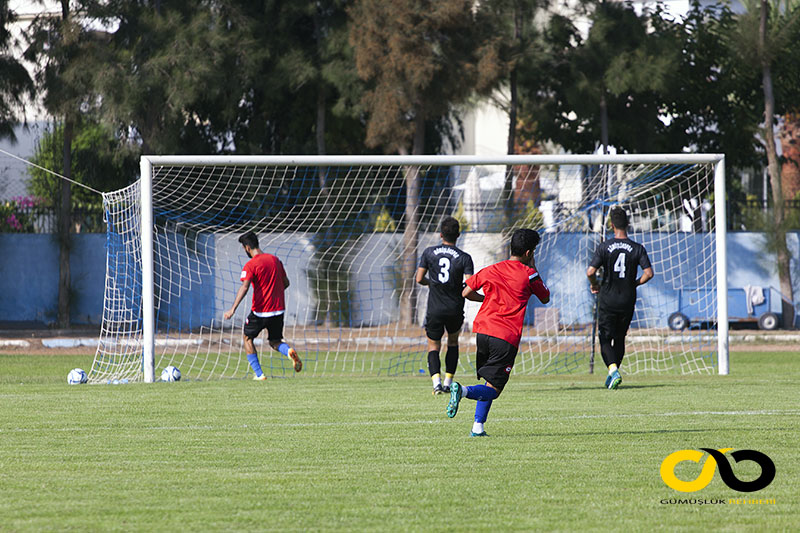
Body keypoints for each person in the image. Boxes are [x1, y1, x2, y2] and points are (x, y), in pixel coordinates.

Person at [447, 228, 550, 437]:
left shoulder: (492, 268)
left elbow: (466, 292)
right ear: (529, 253)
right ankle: (462, 390)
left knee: (489, 381)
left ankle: (478, 427)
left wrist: (486, 300)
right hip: (506, 336)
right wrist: (533, 267)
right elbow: (545, 297)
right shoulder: (530, 275)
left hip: (483, 332)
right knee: (494, 389)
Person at [586, 207, 654, 390]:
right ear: (628, 224)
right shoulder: (637, 248)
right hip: (627, 299)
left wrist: (594, 284)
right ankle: (613, 373)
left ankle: (613, 370)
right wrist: (635, 283)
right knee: (620, 337)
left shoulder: (605, 246)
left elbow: (590, 271)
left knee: (605, 338)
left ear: (611, 225)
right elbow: (649, 273)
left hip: (608, 298)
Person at [223, 231, 302, 379]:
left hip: (260, 312)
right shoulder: (275, 260)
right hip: (278, 311)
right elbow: (286, 283)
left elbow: (244, 287)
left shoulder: (251, 265)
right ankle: (289, 351)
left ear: (247, 247)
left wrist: (232, 309)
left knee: (247, 338)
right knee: (275, 341)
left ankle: (259, 374)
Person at [416, 216, 475, 395]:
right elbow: (470, 284)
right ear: (458, 235)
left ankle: (436, 384)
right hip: (455, 308)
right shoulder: (465, 258)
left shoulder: (428, 253)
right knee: (453, 342)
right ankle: (449, 382)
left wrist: (432, 283)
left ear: (441, 234)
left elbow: (419, 279)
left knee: (433, 345)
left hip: (435, 308)